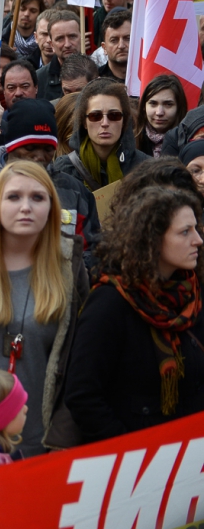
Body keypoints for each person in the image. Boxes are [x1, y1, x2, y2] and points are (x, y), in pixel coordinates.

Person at [0, 161, 88, 456]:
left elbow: (80, 362)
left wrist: (63, 439)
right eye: (13, 197)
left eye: (37, 197)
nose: (25, 207)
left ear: (52, 207)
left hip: (43, 444)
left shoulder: (69, 266)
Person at [65, 187, 204, 441]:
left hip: (189, 456)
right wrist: (132, 451)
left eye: (195, 228)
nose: (198, 240)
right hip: (137, 463)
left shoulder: (191, 294)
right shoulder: (110, 303)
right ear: (151, 238)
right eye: (185, 232)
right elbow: (83, 395)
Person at [50, 78, 149, 192]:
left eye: (114, 115)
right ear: (84, 122)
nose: (105, 123)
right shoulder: (64, 168)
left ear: (124, 121)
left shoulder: (146, 167)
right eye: (95, 116)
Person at [135, 74, 187, 158]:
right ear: (144, 107)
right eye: (153, 104)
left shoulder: (190, 142)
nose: (159, 112)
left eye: (168, 104)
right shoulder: (129, 142)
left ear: (179, 107)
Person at [96, 9, 131, 81]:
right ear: (104, 47)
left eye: (128, 39)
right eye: (114, 40)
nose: (121, 46)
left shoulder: (150, 77)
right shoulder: (95, 78)